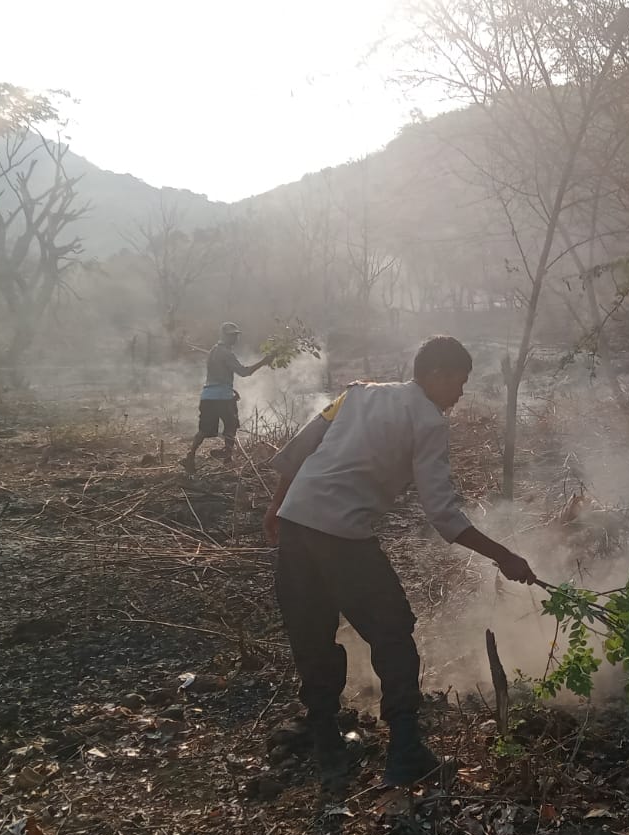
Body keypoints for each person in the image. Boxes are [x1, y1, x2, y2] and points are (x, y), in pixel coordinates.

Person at [264, 335, 537, 787]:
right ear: (436, 374)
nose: (461, 393)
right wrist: (504, 556)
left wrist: (277, 507)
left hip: (296, 527)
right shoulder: (428, 421)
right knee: (393, 635)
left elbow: (302, 448)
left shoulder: (357, 393)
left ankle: (328, 747)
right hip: (343, 538)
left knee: (312, 634)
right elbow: (443, 515)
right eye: (459, 381)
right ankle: (405, 750)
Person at [182, 322, 267, 473]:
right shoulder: (227, 353)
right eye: (231, 335)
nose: (234, 338)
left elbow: (218, 376)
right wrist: (264, 362)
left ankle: (190, 456)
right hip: (223, 398)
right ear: (223, 335)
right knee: (231, 426)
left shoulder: (214, 351)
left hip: (208, 396)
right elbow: (244, 372)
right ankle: (227, 457)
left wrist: (231, 389)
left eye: (235, 335)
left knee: (204, 430)